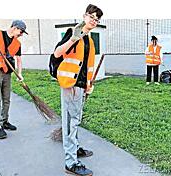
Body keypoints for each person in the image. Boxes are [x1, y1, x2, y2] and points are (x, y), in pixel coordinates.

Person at [53, 4, 103, 176]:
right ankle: (71, 163)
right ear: (84, 16)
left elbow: (87, 66)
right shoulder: (72, 33)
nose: (94, 21)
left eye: (97, 19)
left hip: (81, 86)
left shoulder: (89, 40)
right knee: (69, 123)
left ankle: (75, 148)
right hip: (70, 85)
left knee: (76, 119)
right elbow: (57, 53)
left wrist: (88, 84)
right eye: (92, 17)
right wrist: (73, 39)